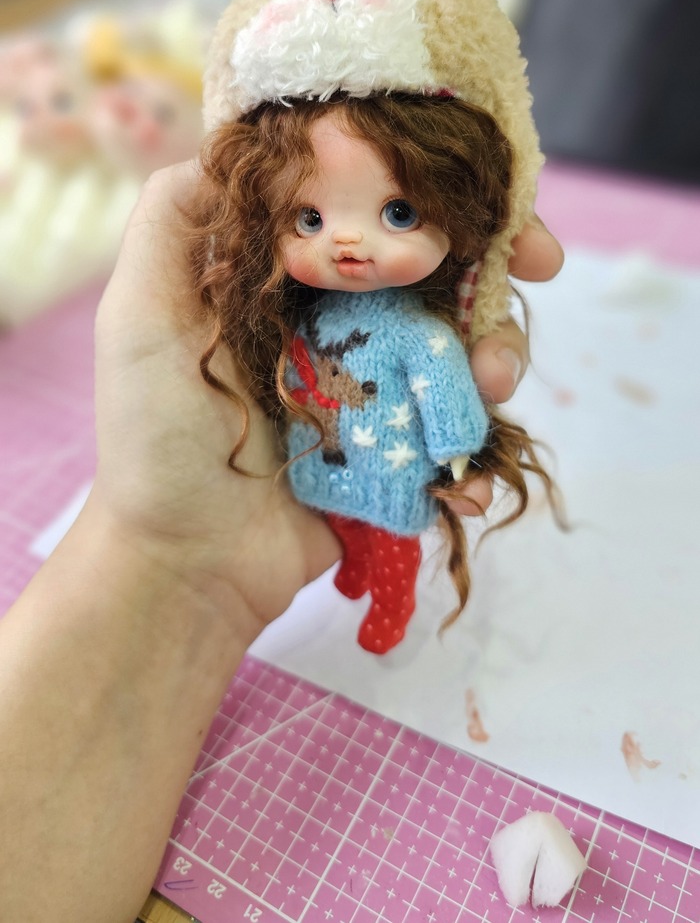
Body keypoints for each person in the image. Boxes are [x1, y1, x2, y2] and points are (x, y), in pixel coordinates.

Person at [0, 161, 563, 923]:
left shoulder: (423, 335)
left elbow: (454, 410)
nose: (348, 240)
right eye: (311, 219)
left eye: (397, 212)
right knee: (357, 545)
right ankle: (361, 581)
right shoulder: (304, 315)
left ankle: (387, 605)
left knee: (390, 550)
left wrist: (462, 448)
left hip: (389, 484)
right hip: (315, 476)